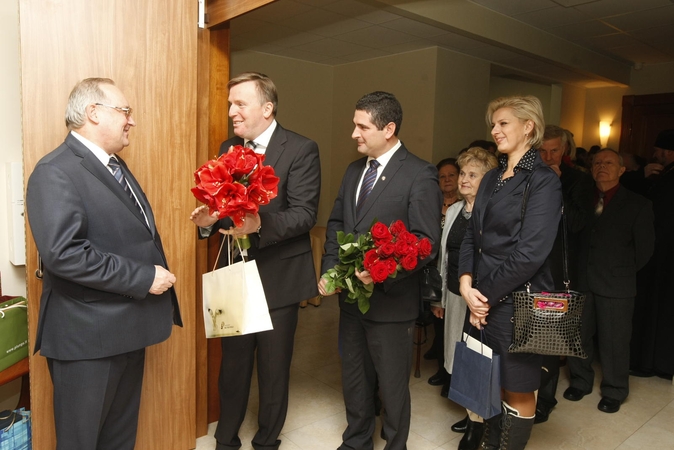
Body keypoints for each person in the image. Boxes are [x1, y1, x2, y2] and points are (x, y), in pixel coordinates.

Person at [25, 78, 182, 450]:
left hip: (127, 329)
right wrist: (144, 277)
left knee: (118, 439)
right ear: (93, 113)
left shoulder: (115, 165)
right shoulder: (55, 171)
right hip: (87, 339)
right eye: (125, 111)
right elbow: (65, 254)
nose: (132, 120)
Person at [190, 72, 321, 450]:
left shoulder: (301, 148)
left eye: (240, 103)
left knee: (273, 369)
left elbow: (304, 213)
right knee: (232, 368)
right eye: (230, 103)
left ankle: (266, 442)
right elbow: (222, 206)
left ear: (267, 108)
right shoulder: (228, 147)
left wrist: (261, 222)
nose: (232, 111)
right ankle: (225, 440)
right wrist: (209, 221)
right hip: (234, 276)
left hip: (279, 276)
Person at [318, 91, 442, 450]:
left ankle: (395, 444)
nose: (354, 134)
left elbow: (425, 241)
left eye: (362, 126)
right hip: (351, 302)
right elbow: (337, 223)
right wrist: (330, 270)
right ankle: (356, 440)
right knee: (355, 377)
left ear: (388, 128)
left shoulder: (420, 174)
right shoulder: (354, 170)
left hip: (391, 304)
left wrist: (383, 272)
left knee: (391, 384)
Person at [458, 95, 562, 450]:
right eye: (493, 124)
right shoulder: (491, 179)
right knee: (484, 379)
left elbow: (531, 253)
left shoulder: (543, 181)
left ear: (528, 126)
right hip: (481, 298)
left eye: (503, 123)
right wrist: (465, 283)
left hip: (518, 305)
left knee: (516, 386)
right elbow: (473, 237)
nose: (495, 130)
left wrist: (482, 296)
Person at [564, 149, 654, 414]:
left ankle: (614, 390)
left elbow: (645, 249)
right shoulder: (582, 199)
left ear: (622, 170)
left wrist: (621, 271)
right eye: (597, 162)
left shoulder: (638, 203)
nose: (602, 166)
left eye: (609, 163)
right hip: (582, 280)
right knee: (577, 336)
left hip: (617, 284)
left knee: (615, 340)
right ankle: (580, 381)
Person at [431, 147, 497, 450]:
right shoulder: (456, 210)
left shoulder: (494, 210)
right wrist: (440, 298)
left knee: (479, 360)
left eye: (473, 175)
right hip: (456, 295)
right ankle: (472, 414)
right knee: (459, 357)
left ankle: (477, 424)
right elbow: (444, 259)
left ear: (488, 180)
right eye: (463, 174)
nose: (464, 180)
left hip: (482, 301)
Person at [534, 125, 594, 424]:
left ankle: (545, 399)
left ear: (565, 151)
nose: (547, 157)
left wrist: (556, 188)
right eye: (542, 151)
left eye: (553, 151)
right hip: (526, 268)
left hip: (557, 274)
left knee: (547, 340)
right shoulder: (527, 177)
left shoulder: (579, 181)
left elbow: (578, 224)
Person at [426, 158, 460, 390]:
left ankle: (453, 376)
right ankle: (442, 368)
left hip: (454, 273)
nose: (447, 180)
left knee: (454, 327)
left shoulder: (464, 206)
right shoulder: (431, 204)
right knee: (438, 323)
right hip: (432, 272)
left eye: (451, 175)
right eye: (442, 177)